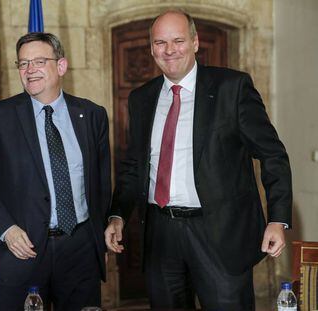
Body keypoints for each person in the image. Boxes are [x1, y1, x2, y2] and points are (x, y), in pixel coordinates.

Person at [105, 9, 292, 310]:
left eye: (178, 40)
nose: (169, 50)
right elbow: (134, 167)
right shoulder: (141, 98)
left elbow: (272, 154)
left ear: (195, 42)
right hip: (161, 233)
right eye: (160, 42)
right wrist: (117, 215)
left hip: (219, 234)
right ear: (151, 48)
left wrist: (278, 219)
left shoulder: (232, 88)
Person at [0, 32, 111, 311]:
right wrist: (6, 230)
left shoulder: (92, 115)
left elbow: (101, 185)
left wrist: (98, 239)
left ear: (61, 66)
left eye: (39, 61)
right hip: (21, 252)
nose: (30, 70)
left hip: (79, 252)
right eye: (23, 64)